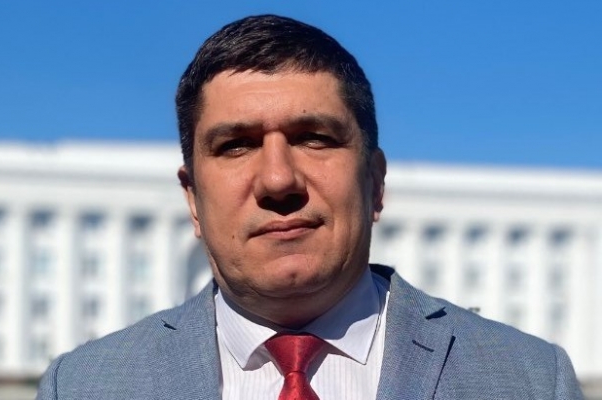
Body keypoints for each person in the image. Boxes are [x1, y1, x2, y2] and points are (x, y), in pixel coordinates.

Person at [37, 14, 583, 399]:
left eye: (314, 138)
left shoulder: (531, 380)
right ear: (193, 199)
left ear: (375, 182)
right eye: (236, 145)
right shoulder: (83, 387)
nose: (278, 180)